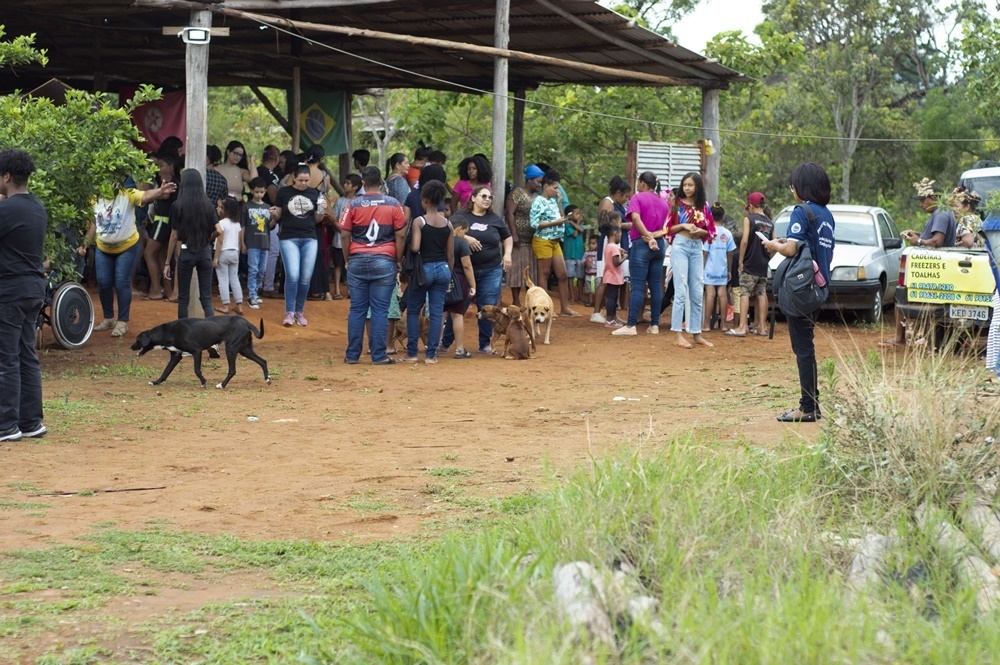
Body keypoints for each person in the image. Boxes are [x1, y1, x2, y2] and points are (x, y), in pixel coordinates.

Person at [763, 162, 835, 423]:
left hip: (802, 288)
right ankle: (811, 403)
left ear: (801, 187)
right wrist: (787, 242)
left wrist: (774, 245)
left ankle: (808, 407)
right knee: (806, 345)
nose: (792, 190)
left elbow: (792, 250)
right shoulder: (826, 215)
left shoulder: (801, 211)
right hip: (819, 286)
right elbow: (809, 246)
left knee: (803, 348)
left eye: (793, 186)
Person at [80, 178, 177, 337]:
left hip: (126, 246)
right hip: (103, 247)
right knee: (103, 282)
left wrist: (160, 191)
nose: (109, 184)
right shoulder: (95, 199)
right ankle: (109, 319)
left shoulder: (128, 194)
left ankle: (122, 322)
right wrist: (84, 244)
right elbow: (93, 224)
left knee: (121, 282)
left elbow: (145, 195)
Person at [0, 149, 48, 441]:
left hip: (10, 291)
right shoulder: (37, 207)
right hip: (33, 289)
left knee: (5, 357)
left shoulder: (6, 210)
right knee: (26, 355)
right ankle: (31, 423)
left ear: (6, 176)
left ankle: (6, 425)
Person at [339, 166, 407, 365]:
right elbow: (401, 235)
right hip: (384, 261)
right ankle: (379, 355)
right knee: (380, 310)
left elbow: (344, 235)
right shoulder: (393, 204)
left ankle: (352, 355)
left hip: (357, 259)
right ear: (381, 182)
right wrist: (398, 260)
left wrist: (347, 259)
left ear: (362, 183)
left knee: (357, 309)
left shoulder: (353, 205)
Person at [880, 178, 958, 347]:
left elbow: (937, 241)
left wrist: (919, 241)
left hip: (933, 266)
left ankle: (900, 338)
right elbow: (934, 236)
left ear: (934, 198)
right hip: (938, 266)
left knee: (902, 296)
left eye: (923, 200)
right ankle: (921, 338)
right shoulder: (942, 213)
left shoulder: (940, 214)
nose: (921, 205)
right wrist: (917, 234)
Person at [444, 185, 512, 353]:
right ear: (473, 198)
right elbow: (448, 229)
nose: (487, 199)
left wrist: (507, 254)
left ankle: (485, 344)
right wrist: (466, 237)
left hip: (491, 270)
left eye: (490, 197)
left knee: (488, 307)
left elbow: (507, 237)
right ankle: (445, 343)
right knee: (458, 306)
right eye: (483, 196)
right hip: (464, 271)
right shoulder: (461, 215)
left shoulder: (495, 218)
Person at [613, 171, 669, 336]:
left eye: (638, 182)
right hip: (659, 245)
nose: (637, 185)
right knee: (656, 287)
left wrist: (648, 237)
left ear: (643, 183)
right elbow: (666, 227)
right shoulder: (664, 202)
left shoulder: (637, 198)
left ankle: (631, 325)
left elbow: (636, 219)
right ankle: (654, 325)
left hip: (641, 244)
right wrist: (654, 237)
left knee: (637, 286)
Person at [403, 181, 453, 364]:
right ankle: (431, 355)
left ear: (424, 200)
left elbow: (415, 247)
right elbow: (450, 254)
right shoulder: (448, 224)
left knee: (414, 310)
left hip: (423, 270)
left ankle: (412, 353)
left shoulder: (419, 221)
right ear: (440, 200)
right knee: (437, 312)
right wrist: (449, 276)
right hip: (443, 269)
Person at [271, 164, 326, 326]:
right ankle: (289, 312)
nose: (304, 183)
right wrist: (274, 213)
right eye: (301, 180)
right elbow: (278, 214)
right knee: (293, 275)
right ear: (294, 178)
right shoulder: (284, 192)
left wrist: (321, 210)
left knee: (305, 278)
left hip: (309, 237)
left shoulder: (314, 193)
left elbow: (317, 220)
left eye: (306, 180)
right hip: (289, 237)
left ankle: (299, 311)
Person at [665, 172, 715, 348]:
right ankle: (677, 334)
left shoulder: (704, 206)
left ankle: (696, 333)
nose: (686, 188)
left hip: (696, 248)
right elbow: (668, 228)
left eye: (690, 185)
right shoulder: (676, 204)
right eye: (684, 185)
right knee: (680, 290)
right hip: (680, 246)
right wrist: (684, 225)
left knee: (697, 291)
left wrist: (700, 232)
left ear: (697, 187)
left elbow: (711, 231)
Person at [164, 169, 217, 319]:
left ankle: (183, 331)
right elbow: (219, 230)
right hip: (204, 252)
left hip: (186, 251)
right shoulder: (208, 204)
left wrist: (167, 262)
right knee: (206, 298)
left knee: (183, 298)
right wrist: (207, 238)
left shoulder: (177, 205)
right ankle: (213, 332)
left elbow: (174, 236)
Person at [530, 170, 580, 318]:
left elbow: (560, 217)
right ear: (546, 187)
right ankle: (544, 308)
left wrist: (559, 204)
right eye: (555, 188)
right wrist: (555, 223)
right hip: (542, 240)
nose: (558, 191)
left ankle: (565, 308)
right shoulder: (538, 201)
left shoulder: (553, 200)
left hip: (555, 241)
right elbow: (534, 224)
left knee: (562, 274)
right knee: (544, 274)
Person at [729, 193, 773, 338]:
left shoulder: (749, 219)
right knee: (761, 293)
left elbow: (744, 241)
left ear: (751, 206)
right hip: (763, 264)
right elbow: (774, 243)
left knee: (744, 293)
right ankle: (762, 327)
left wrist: (741, 261)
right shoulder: (770, 222)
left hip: (750, 263)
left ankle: (742, 327)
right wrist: (768, 258)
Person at [592, 176, 631, 323]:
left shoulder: (617, 204)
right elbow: (606, 225)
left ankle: (611, 313)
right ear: (618, 193)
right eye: (625, 196)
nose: (627, 199)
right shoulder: (607, 202)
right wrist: (627, 225)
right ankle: (596, 312)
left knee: (615, 278)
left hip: (617, 243)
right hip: (608, 244)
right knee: (605, 277)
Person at [143, 151, 180, 301]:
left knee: (148, 253)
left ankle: (156, 290)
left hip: (162, 221)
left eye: (161, 165)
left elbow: (165, 195)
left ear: (171, 167)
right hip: (168, 222)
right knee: (161, 256)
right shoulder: (173, 179)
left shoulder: (167, 179)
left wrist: (150, 194)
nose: (158, 168)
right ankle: (168, 291)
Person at [505, 164, 543, 307]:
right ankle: (516, 300)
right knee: (516, 268)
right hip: (518, 240)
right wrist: (514, 233)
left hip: (533, 240)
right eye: (538, 181)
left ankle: (530, 300)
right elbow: (509, 213)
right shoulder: (517, 192)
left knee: (531, 270)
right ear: (529, 180)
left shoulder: (538, 197)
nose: (539, 185)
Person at [444, 213, 477, 359]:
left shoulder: (441, 239)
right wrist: (473, 285)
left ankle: (433, 346)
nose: (464, 236)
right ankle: (459, 349)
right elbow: (467, 266)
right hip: (459, 279)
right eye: (464, 232)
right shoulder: (461, 243)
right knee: (457, 314)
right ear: (458, 229)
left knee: (439, 313)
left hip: (441, 276)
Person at [330, 173, 362, 300]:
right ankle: (337, 290)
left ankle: (350, 289)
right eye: (345, 182)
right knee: (338, 264)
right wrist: (342, 231)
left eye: (348, 183)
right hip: (339, 239)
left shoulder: (359, 202)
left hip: (354, 240)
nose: (344, 185)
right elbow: (334, 219)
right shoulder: (339, 201)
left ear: (355, 187)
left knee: (351, 265)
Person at [242, 178, 272, 310]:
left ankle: (255, 290)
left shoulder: (267, 207)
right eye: (256, 192)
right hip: (252, 243)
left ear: (265, 191)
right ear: (251, 191)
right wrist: (242, 242)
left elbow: (269, 226)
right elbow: (243, 226)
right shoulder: (246, 206)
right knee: (253, 269)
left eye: (261, 192)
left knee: (262, 270)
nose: (259, 194)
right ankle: (252, 294)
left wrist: (274, 217)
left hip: (264, 243)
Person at [702, 219, 736, 332]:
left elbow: (705, 252)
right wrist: (729, 270)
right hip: (722, 269)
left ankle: (706, 325)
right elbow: (730, 253)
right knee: (722, 295)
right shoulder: (727, 233)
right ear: (723, 217)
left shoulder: (708, 232)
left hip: (709, 268)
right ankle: (723, 325)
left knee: (710, 295)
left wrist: (702, 268)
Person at [213, 197, 244, 315]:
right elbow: (239, 242)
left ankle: (225, 305)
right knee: (234, 278)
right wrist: (237, 254)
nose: (218, 209)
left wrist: (215, 257)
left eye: (221, 207)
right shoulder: (237, 224)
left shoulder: (221, 223)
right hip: (234, 252)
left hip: (223, 253)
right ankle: (239, 305)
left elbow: (220, 241)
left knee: (223, 279)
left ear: (226, 210)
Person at [602, 224, 627, 329]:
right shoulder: (615, 248)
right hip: (614, 275)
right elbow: (616, 263)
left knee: (612, 297)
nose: (620, 238)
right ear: (615, 233)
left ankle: (612, 318)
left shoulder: (608, 246)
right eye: (620, 235)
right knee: (612, 298)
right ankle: (610, 320)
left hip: (609, 274)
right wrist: (625, 257)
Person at [563, 204, 586, 305]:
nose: (579, 215)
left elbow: (582, 230)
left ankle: (580, 296)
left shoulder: (575, 224)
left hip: (579, 254)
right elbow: (576, 234)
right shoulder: (567, 225)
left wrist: (575, 222)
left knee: (580, 276)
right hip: (569, 254)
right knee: (570, 276)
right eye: (577, 214)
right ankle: (571, 296)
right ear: (570, 215)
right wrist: (576, 223)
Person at [583, 235, 599, 307]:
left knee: (597, 288)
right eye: (590, 243)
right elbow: (582, 261)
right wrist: (586, 262)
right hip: (588, 273)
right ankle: (590, 301)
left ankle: (597, 301)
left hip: (596, 273)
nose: (591, 245)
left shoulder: (599, 253)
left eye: (593, 243)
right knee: (588, 288)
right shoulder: (586, 253)